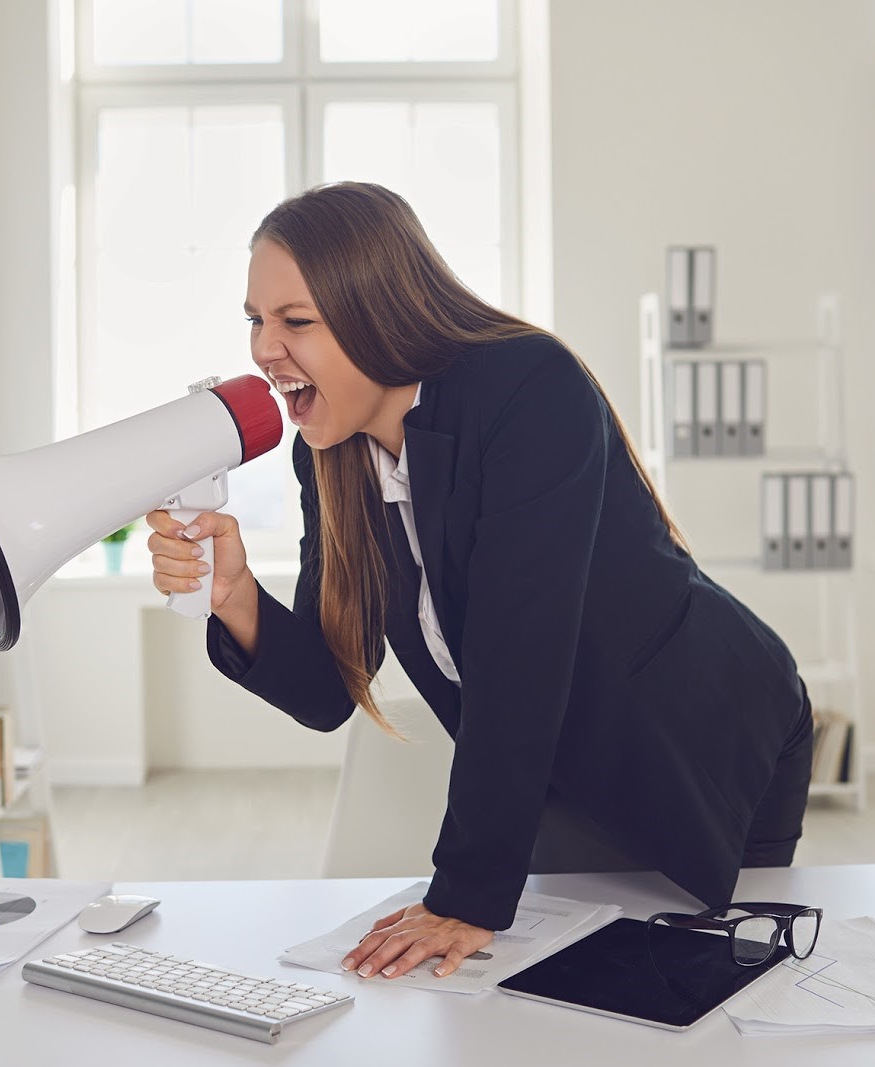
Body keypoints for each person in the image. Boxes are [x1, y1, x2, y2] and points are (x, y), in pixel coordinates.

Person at [146, 181, 812, 983]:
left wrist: (463, 894)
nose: (263, 350)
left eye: (295, 322)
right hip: (556, 761)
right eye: (255, 320)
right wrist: (237, 594)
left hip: (708, 730)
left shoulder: (530, 389)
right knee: (559, 996)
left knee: (717, 983)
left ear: (379, 308)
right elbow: (328, 691)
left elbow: (518, 658)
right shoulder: (330, 454)